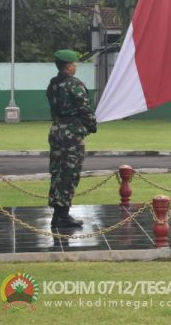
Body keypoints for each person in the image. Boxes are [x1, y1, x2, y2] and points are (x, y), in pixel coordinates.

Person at [46, 49, 97, 229]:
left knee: (58, 171)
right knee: (70, 172)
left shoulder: (53, 84)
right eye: (74, 63)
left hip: (56, 130)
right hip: (71, 133)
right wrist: (92, 125)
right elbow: (85, 109)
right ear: (68, 66)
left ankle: (58, 214)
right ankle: (62, 216)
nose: (75, 66)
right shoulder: (74, 84)